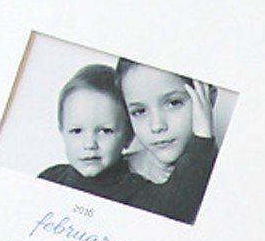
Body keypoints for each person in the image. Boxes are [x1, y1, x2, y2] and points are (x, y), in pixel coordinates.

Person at [117, 59, 219, 223]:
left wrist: (203, 139)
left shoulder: (228, 177)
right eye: (139, 111)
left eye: (173, 103)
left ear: (208, 98)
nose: (157, 126)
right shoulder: (110, 177)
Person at [38, 64, 142, 200]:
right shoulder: (50, 180)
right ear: (62, 132)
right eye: (76, 131)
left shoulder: (140, 193)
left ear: (129, 136)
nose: (89, 144)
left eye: (105, 131)